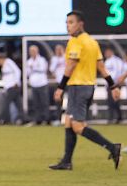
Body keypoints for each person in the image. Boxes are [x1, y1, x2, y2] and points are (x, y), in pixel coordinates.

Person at [50, 12, 122, 170]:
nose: (67, 26)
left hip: (78, 87)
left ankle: (112, 148)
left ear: (80, 24)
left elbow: (71, 65)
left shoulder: (75, 41)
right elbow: (101, 67)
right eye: (66, 22)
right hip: (89, 86)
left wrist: (60, 87)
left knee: (77, 126)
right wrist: (113, 86)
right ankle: (66, 162)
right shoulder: (92, 42)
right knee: (68, 123)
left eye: (71, 22)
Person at [0, 52, 24, 125]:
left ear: (2, 59)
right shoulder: (4, 65)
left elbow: (18, 71)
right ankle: (24, 119)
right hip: (9, 87)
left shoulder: (8, 62)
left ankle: (2, 119)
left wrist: (16, 82)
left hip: (13, 87)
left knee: (6, 103)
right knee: (18, 104)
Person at [26, 45, 50, 125]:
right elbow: (27, 72)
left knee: (44, 102)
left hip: (42, 83)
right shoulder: (29, 61)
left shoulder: (42, 60)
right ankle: (38, 119)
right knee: (36, 103)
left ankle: (46, 119)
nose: (32, 53)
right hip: (34, 84)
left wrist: (33, 67)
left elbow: (43, 69)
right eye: (31, 51)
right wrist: (32, 68)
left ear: (37, 51)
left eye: (33, 51)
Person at [103, 47, 124, 123]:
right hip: (109, 84)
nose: (105, 54)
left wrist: (113, 84)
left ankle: (115, 117)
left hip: (114, 84)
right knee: (111, 101)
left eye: (106, 53)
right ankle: (114, 117)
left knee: (114, 101)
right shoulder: (108, 61)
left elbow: (117, 72)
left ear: (110, 52)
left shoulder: (116, 60)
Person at [49, 44, 66, 123]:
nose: (59, 51)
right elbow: (51, 69)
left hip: (67, 82)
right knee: (58, 101)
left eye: (60, 49)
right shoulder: (54, 59)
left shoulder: (66, 57)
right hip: (58, 83)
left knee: (70, 101)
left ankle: (71, 119)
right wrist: (57, 62)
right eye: (57, 50)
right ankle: (58, 119)